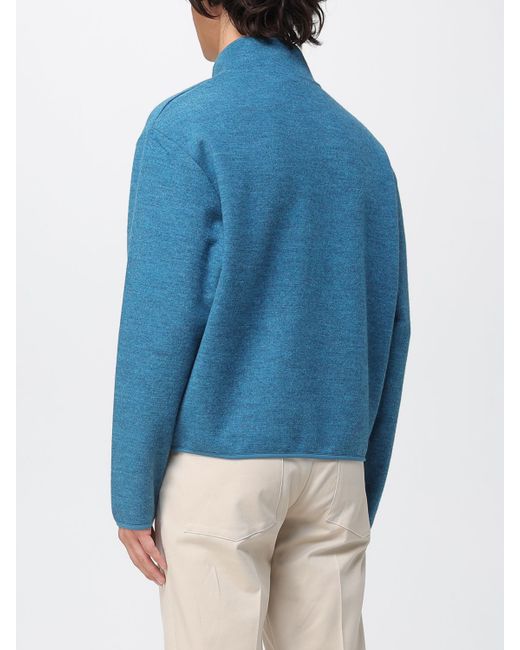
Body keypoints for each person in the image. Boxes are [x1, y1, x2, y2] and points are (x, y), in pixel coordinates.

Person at [111, 1, 411, 648]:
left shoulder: (186, 130)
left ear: (211, 3)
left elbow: (159, 321)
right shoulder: (363, 151)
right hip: (335, 466)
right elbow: (391, 329)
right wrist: (358, 484)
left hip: (219, 467)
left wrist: (131, 489)